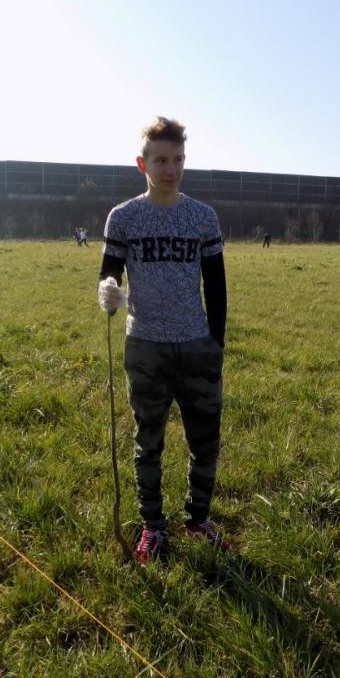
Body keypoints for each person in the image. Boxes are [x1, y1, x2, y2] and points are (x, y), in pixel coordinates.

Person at [98, 116, 228, 565]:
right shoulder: (123, 218)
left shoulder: (203, 218)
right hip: (146, 348)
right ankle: (153, 526)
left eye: (178, 160)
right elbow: (109, 273)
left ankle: (198, 520)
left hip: (196, 347)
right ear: (143, 164)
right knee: (148, 442)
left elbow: (217, 287)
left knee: (205, 441)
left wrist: (216, 344)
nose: (170, 169)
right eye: (160, 161)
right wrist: (108, 290)